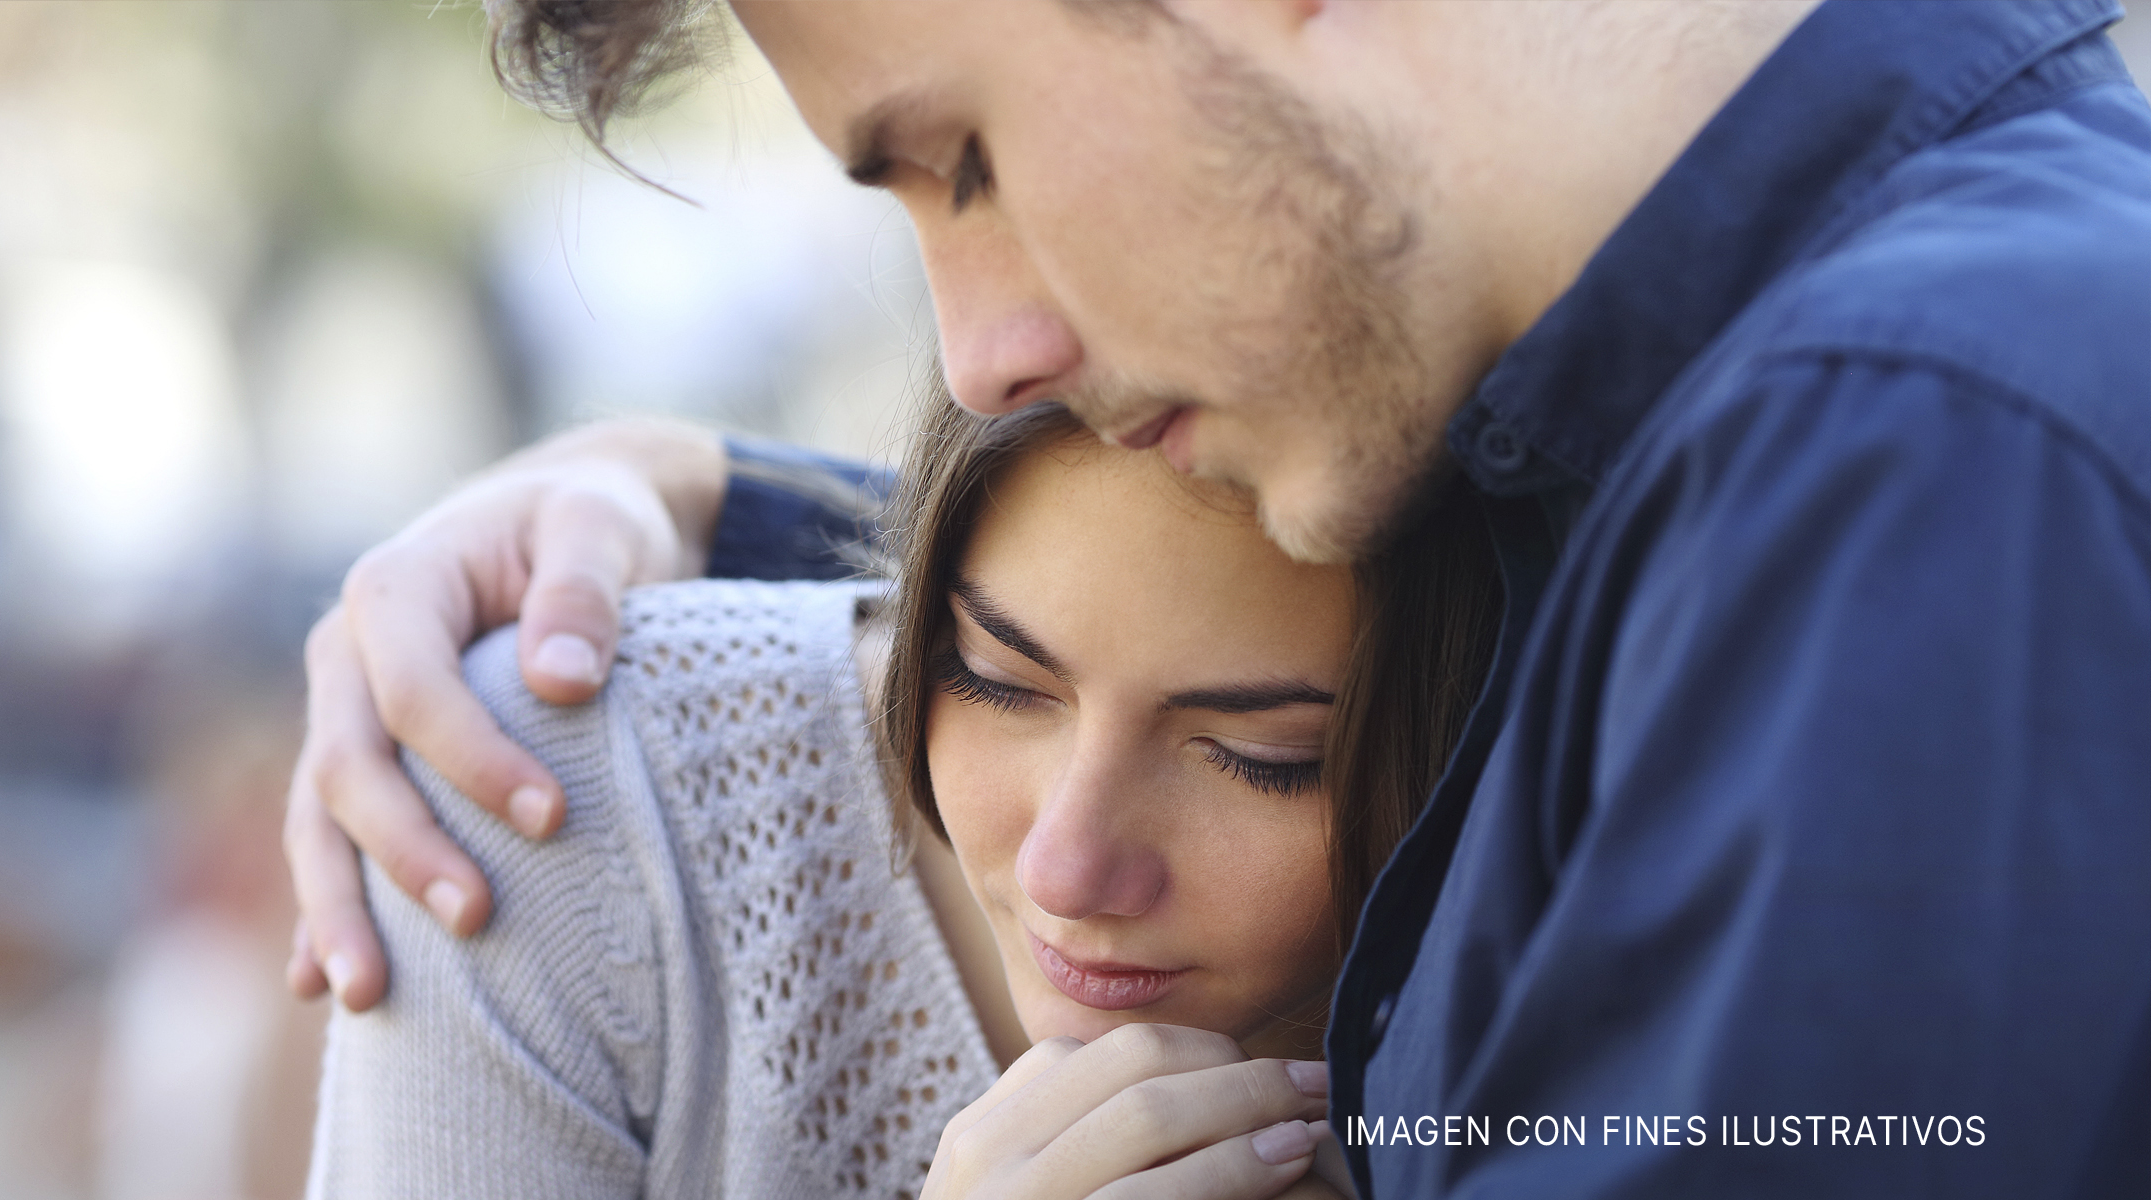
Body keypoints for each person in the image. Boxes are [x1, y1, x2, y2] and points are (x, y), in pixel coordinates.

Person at [287, 2, 2151, 1196]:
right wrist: (707, 506)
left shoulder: (1915, 466)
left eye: (967, 162)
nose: (986, 350)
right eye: (993, 671)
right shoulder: (1759, 436)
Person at [304, 395, 1497, 1197]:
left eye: (1260, 758)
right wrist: (687, 476)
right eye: (995, 679)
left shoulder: (1582, 973)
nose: (1062, 871)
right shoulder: (560, 798)